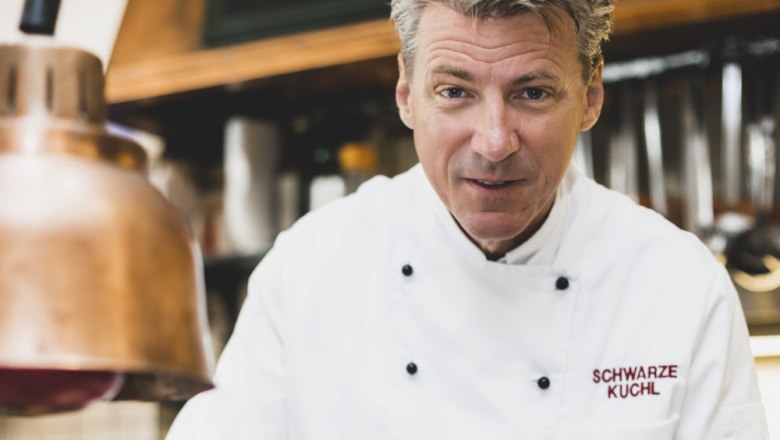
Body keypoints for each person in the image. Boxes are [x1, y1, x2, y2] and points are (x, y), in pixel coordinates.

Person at [167, 0, 769, 438]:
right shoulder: (310, 268)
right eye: (455, 91)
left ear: (589, 97)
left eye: (532, 92)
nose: (494, 140)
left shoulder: (677, 282)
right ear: (407, 95)